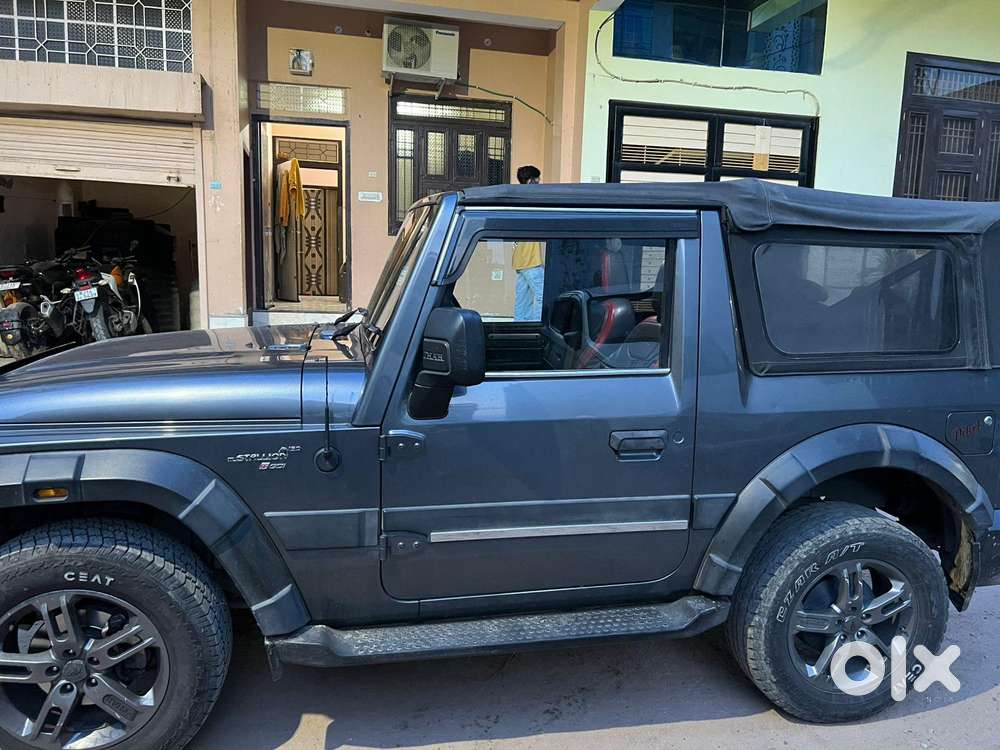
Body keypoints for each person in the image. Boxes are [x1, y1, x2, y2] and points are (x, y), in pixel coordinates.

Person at [513, 165, 544, 321]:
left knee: (522, 299)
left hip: (520, 258)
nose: (539, 183)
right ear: (531, 181)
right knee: (543, 293)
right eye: (537, 180)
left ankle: (519, 329)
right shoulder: (530, 198)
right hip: (530, 259)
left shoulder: (517, 198)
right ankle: (537, 327)